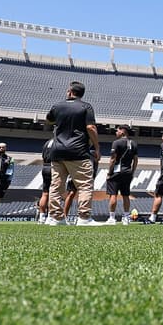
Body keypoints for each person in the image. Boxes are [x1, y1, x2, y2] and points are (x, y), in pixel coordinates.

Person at [45, 81, 101, 226]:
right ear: (81, 94)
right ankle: (83, 217)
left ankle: (57, 218)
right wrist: (97, 147)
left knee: (56, 186)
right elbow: (91, 127)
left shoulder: (57, 106)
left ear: (70, 91)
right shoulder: (85, 106)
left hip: (57, 151)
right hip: (78, 151)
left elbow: (49, 120)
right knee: (84, 185)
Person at [106, 125, 138, 225]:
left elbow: (113, 159)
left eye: (118, 130)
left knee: (113, 194)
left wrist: (109, 172)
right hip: (128, 172)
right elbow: (135, 160)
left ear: (123, 131)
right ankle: (126, 218)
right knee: (126, 195)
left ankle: (112, 218)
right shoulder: (134, 143)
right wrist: (132, 172)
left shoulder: (116, 143)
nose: (116, 132)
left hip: (116, 171)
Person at [37, 137, 54, 224]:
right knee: (54, 193)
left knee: (45, 193)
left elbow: (43, 156)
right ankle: (51, 216)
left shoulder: (47, 142)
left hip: (45, 167)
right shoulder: (59, 141)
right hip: (54, 167)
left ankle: (41, 217)